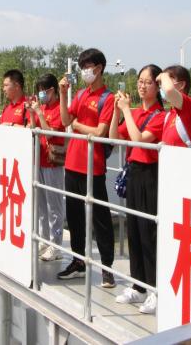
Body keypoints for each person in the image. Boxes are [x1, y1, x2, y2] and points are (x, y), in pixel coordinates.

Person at [56, 48, 116, 288]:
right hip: (72, 163)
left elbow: (100, 132)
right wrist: (63, 95)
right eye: (82, 68)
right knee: (75, 217)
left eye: (87, 67)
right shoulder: (80, 94)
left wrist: (79, 126)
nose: (84, 72)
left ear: (99, 68)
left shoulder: (107, 98)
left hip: (94, 166)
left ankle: (107, 269)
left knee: (100, 219)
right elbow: (65, 121)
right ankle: (78, 262)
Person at [109, 64, 165, 314]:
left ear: (158, 86)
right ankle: (138, 285)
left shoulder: (160, 116)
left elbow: (139, 139)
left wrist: (126, 112)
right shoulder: (134, 113)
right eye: (140, 81)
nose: (142, 86)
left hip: (150, 175)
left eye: (148, 82)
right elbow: (114, 137)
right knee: (133, 230)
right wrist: (116, 113)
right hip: (133, 173)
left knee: (148, 232)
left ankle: (154, 289)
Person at [25, 74, 65, 261]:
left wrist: (39, 114)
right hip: (38, 160)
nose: (41, 94)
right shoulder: (42, 107)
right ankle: (45, 239)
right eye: (39, 90)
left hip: (52, 162)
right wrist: (33, 114)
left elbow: (49, 134)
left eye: (43, 90)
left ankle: (56, 245)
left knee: (54, 206)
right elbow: (35, 130)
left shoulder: (58, 109)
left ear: (52, 90)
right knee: (41, 205)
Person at [156, 65, 191, 148]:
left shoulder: (189, 105)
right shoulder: (170, 114)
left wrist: (163, 75)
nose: (162, 86)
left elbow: (169, 90)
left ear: (181, 85)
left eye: (167, 80)